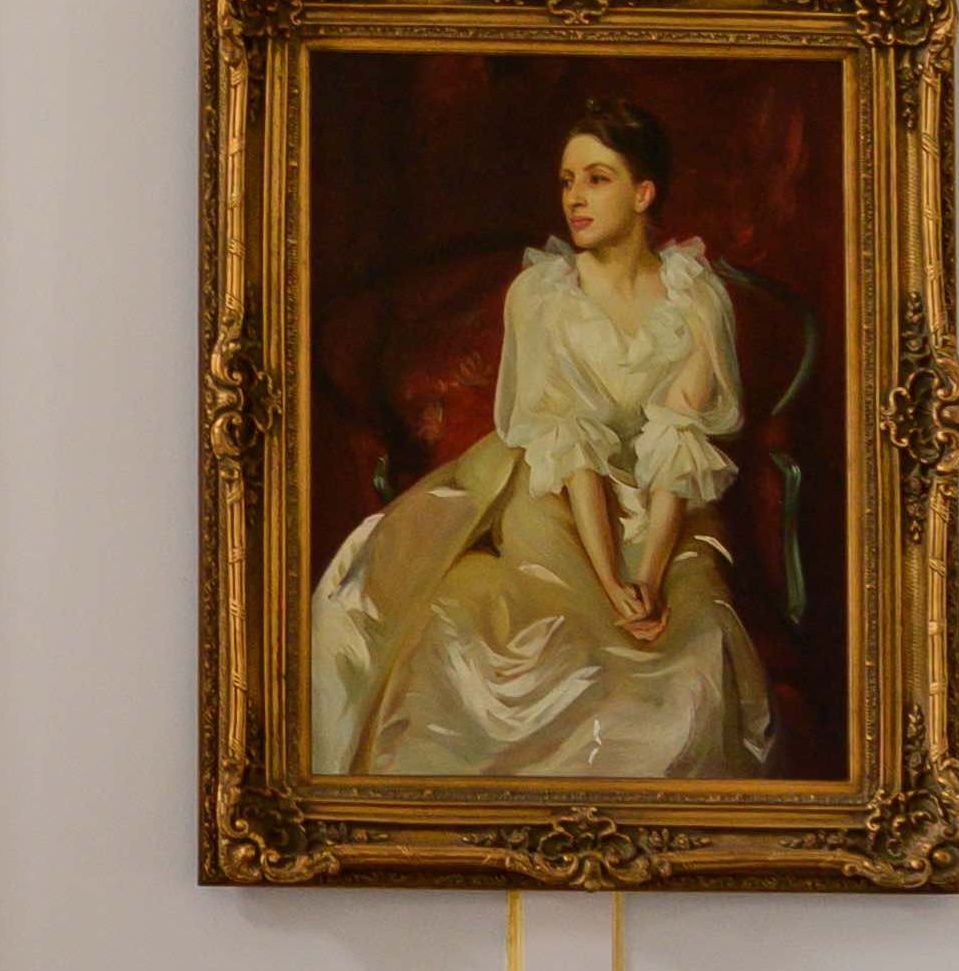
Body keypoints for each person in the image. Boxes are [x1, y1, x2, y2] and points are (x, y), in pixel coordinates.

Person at [305, 96, 776, 780]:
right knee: (502, 637)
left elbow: (678, 445)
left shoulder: (696, 298)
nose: (574, 199)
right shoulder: (541, 294)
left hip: (663, 503)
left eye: (596, 178)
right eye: (566, 181)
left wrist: (643, 578)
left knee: (688, 648)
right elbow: (570, 444)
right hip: (555, 493)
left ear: (643, 193)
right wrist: (609, 577)